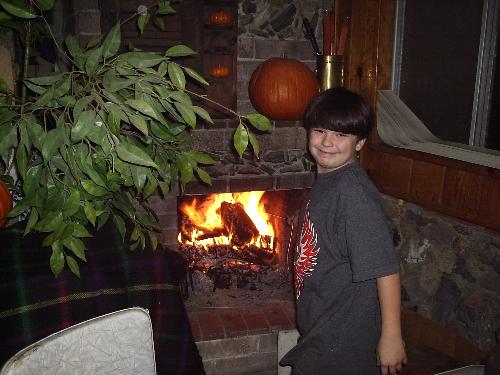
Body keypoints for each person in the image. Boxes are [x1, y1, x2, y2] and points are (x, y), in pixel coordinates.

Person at [279, 87, 407, 375]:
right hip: (323, 327)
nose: (327, 142)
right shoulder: (330, 181)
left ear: (360, 143)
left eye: (341, 135)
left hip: (343, 339)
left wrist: (391, 337)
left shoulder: (352, 194)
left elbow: (385, 268)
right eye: (320, 130)